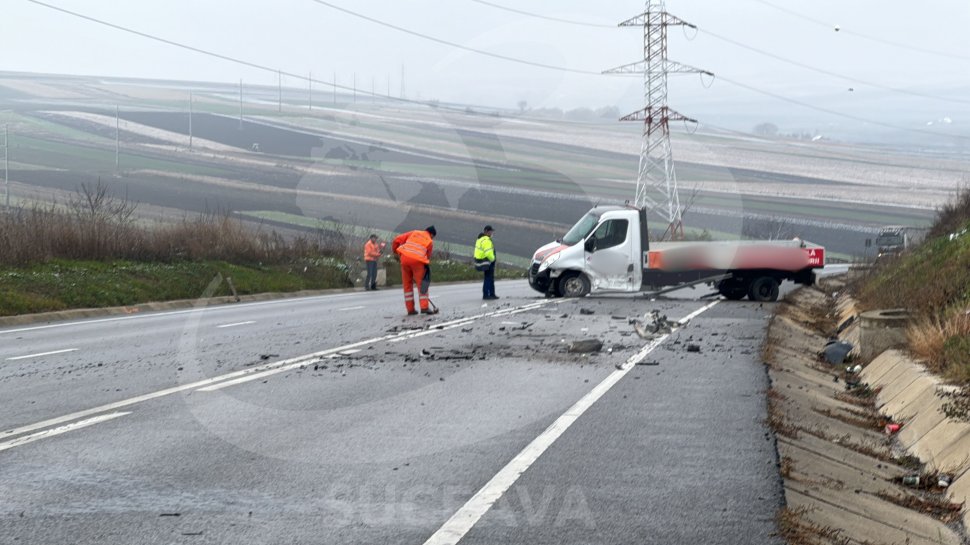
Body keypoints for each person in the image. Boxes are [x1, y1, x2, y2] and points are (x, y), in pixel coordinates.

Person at [392, 226, 438, 315]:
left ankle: (410, 309)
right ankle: (424, 307)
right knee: (422, 285)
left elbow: (396, 240)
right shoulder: (429, 241)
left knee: (407, 285)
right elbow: (427, 257)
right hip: (418, 262)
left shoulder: (414, 232)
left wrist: (395, 252)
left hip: (404, 259)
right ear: (432, 234)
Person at [475, 225, 498, 300]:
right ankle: (487, 295)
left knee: (489, 278)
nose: (492, 233)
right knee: (488, 278)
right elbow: (488, 253)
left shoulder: (480, 239)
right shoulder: (486, 240)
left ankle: (492, 294)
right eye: (490, 231)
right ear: (486, 231)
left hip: (483, 261)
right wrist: (493, 259)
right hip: (487, 261)